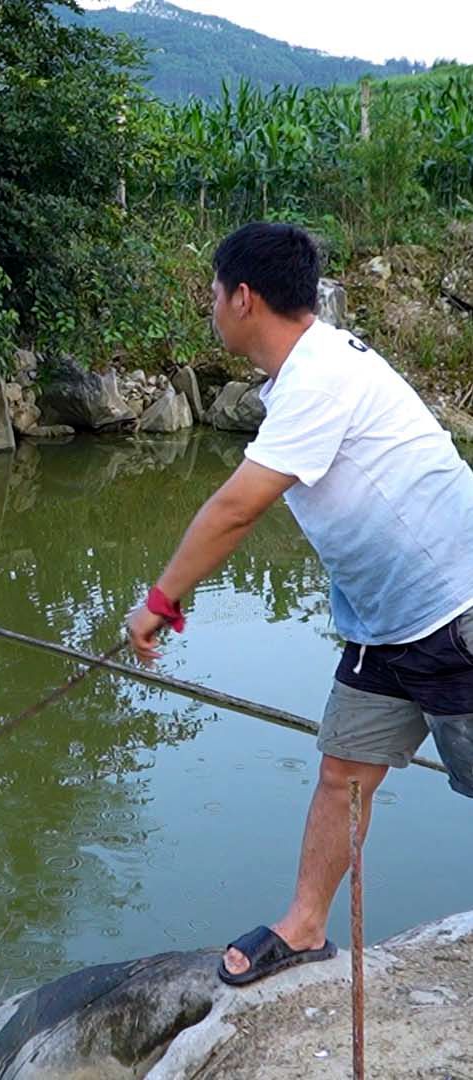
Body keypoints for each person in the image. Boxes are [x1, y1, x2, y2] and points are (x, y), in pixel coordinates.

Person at [126, 222, 473, 987]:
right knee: (342, 772)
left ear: (242, 298)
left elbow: (235, 509)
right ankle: (305, 926)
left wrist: (160, 600)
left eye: (213, 294)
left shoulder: (319, 376)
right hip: (381, 624)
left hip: (453, 609)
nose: (210, 307)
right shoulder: (303, 374)